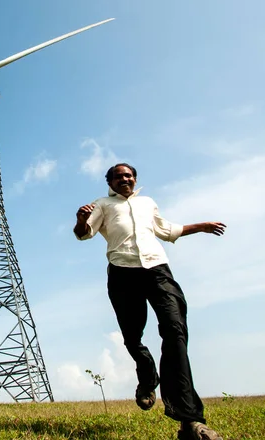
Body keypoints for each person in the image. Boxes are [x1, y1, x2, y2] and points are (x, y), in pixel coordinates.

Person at [74, 163, 226, 440]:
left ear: (135, 179)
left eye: (129, 175)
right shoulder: (102, 205)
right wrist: (82, 219)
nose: (125, 179)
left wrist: (201, 226)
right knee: (133, 337)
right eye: (119, 176)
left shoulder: (147, 203)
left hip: (158, 271)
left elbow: (166, 229)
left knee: (175, 331)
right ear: (109, 181)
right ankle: (147, 376)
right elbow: (84, 234)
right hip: (122, 273)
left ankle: (190, 421)